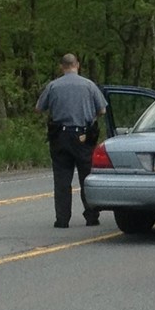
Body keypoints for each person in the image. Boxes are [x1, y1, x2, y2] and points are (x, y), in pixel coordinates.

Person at [35, 53, 108, 228]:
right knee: (87, 178)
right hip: (83, 136)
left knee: (61, 179)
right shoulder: (89, 85)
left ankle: (62, 219)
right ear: (78, 65)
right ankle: (91, 216)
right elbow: (103, 110)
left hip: (60, 136)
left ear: (62, 67)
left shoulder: (53, 86)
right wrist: (89, 117)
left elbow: (38, 108)